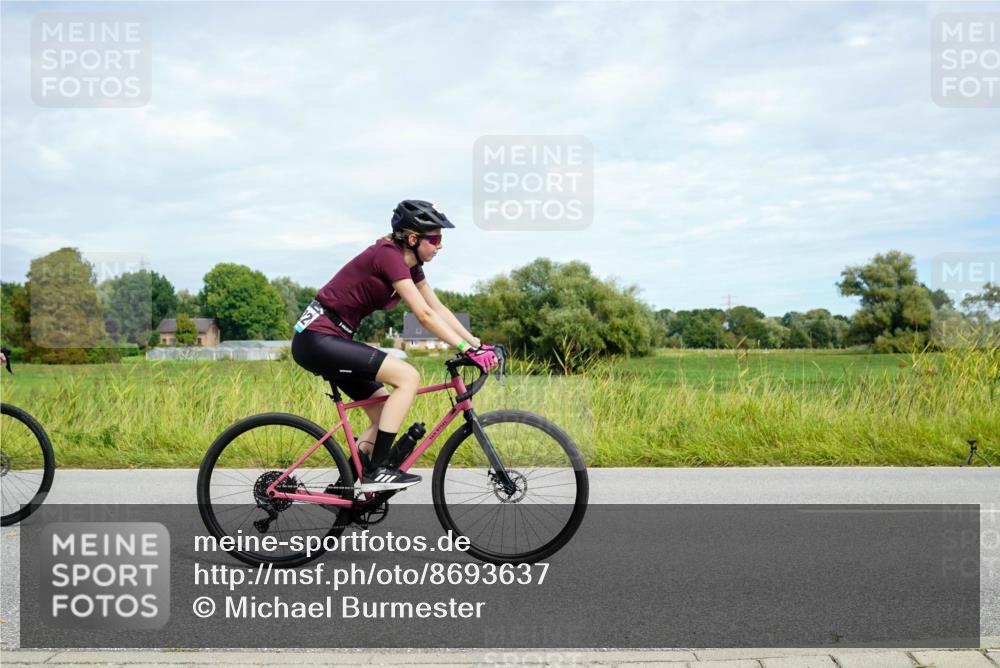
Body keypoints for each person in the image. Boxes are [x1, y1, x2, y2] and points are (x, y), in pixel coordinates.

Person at [291, 200, 498, 492]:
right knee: (408, 377)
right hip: (318, 339)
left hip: (331, 340)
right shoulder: (388, 255)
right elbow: (423, 316)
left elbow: (437, 308)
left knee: (383, 413)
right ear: (412, 239)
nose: (440, 246)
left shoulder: (411, 267)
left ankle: (346, 489)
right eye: (435, 239)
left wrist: (477, 345)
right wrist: (465, 349)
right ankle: (377, 471)